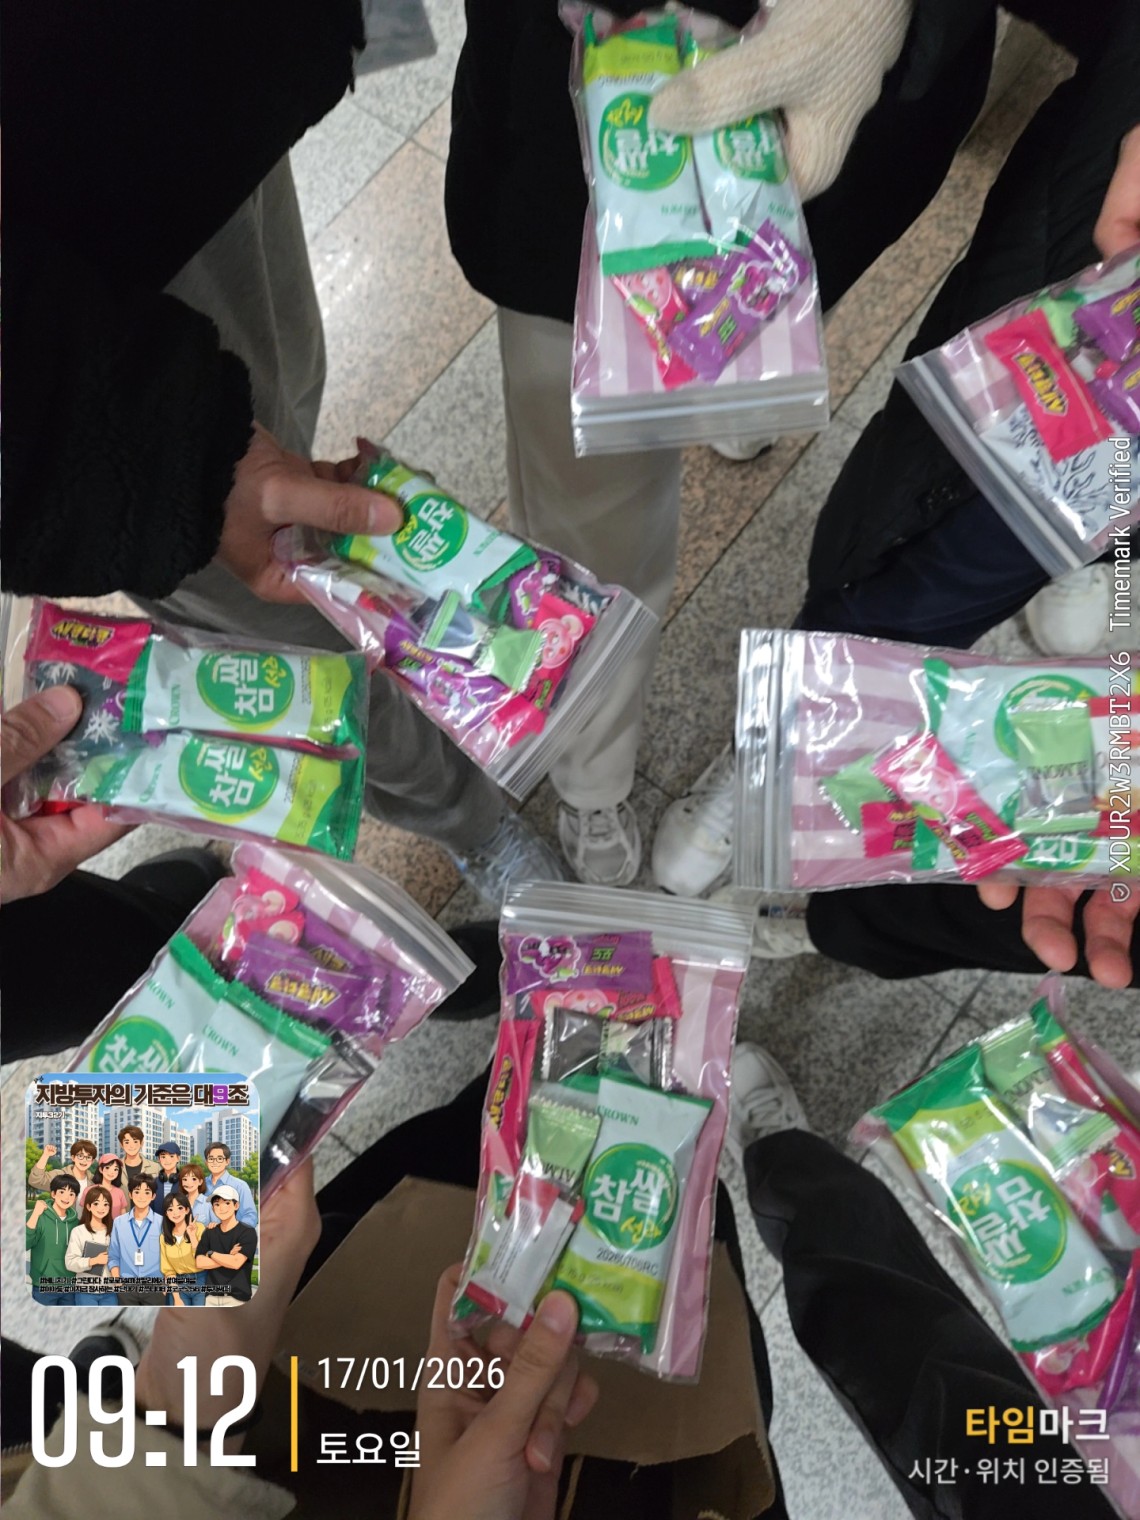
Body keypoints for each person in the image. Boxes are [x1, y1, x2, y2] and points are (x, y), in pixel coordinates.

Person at [4, 7, 565, 915]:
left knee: (285, 369)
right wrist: (175, 462)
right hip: (60, 310)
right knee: (286, 630)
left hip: (166, 87)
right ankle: (470, 820)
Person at [445, 0, 1002, 885]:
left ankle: (738, 391)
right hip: (583, 90)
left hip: (835, 62)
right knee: (593, 511)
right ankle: (592, 772)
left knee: (774, 290)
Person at [195, 1187, 258, 1307]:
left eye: (227, 1203)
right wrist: (228, 1256)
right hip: (211, 1297)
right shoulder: (209, 1232)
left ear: (236, 1205)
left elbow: (236, 1263)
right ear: (212, 1208)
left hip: (237, 1298)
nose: (221, 1208)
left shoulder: (247, 1232)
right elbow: (200, 1262)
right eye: (217, 1204)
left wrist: (210, 1253)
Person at [108, 1176, 165, 1306]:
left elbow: (168, 1256)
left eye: (147, 1192)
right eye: (137, 1191)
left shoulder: (162, 1222)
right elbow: (113, 1256)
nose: (141, 1197)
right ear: (130, 1194)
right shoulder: (119, 1222)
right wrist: (118, 1282)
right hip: (126, 1287)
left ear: (153, 1196)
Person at [25, 1173, 78, 1306]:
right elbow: (24, 1244)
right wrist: (35, 1214)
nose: (66, 1197)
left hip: (70, 1286)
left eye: (71, 1194)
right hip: (44, 1285)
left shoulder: (76, 1223)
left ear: (75, 1198)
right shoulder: (37, 1216)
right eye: (62, 1192)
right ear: (53, 1194)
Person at [64, 1186, 117, 1308]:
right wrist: (94, 1260)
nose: (101, 1208)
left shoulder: (115, 1231)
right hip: (85, 1291)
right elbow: (70, 1262)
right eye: (96, 1203)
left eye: (106, 1204)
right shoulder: (78, 1231)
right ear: (88, 1206)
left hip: (109, 1291)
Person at [160, 1192, 207, 1308]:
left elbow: (202, 1258)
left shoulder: (200, 1228)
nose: (175, 1213)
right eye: (170, 1209)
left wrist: (192, 1236)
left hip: (201, 1280)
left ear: (187, 1210)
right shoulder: (163, 1238)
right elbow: (169, 1271)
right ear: (166, 1213)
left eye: (180, 1208)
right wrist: (176, 1298)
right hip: (178, 1285)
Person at [202, 1143, 258, 1227]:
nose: (215, 1162)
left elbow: (250, 1216)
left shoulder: (240, 1186)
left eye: (220, 1158)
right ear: (206, 1162)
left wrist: (231, 1230)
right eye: (211, 1158)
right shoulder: (199, 1185)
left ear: (227, 1161)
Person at [26, 1139, 97, 1194]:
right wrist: (45, 1155)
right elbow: (35, 1181)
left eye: (88, 1157)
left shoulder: (94, 1180)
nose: (84, 1160)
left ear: (92, 1161)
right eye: (80, 1156)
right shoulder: (59, 1176)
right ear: (73, 1157)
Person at [78, 1155, 128, 1220]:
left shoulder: (119, 1192)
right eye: (107, 1168)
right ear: (101, 1169)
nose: (112, 1172)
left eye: (115, 1169)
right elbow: (84, 1214)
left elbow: (123, 1216)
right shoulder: (89, 1190)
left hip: (115, 1226)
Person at [117, 1126, 159, 1193]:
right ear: (121, 1145)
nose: (131, 1146)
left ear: (141, 1143)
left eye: (135, 1141)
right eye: (127, 1142)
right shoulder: (116, 1167)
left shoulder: (155, 1167)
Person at [150, 1143, 183, 1216]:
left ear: (178, 1158)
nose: (167, 1160)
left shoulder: (185, 1182)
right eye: (163, 1157)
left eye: (171, 1156)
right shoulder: (153, 1183)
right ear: (159, 1159)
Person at [178, 1163, 215, 1228]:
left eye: (193, 1179)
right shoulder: (178, 1202)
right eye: (185, 1179)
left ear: (200, 1182)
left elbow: (217, 1225)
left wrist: (212, 1226)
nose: (189, 1183)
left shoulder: (209, 1203)